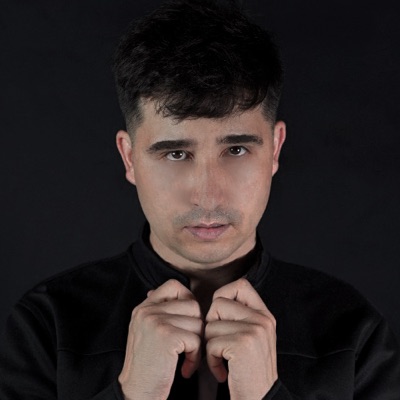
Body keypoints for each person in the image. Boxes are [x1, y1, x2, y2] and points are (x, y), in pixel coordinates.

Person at [1, 0, 399, 398]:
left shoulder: (353, 332)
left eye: (237, 150)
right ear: (130, 158)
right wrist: (132, 393)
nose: (208, 195)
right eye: (176, 154)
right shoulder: (46, 327)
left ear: (275, 149)